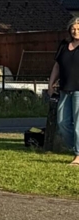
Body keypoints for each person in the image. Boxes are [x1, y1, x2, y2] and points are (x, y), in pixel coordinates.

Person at [48, 17, 79, 165]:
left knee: (78, 123)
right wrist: (51, 83)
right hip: (65, 88)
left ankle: (78, 155)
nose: (75, 31)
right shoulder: (64, 44)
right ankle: (77, 147)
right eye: (73, 28)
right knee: (62, 122)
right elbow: (57, 66)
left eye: (78, 29)